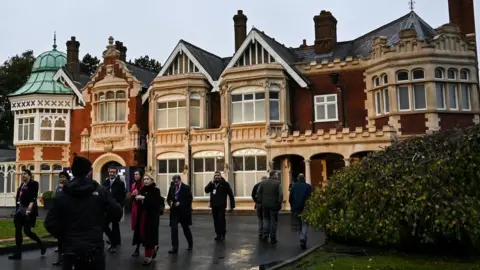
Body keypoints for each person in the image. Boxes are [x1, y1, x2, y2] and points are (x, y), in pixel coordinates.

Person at [44, 155, 123, 270]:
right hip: (93, 246)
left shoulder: (63, 194)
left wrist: (64, 236)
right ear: (89, 172)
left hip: (71, 248)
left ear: (72, 172)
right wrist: (101, 223)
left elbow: (49, 222)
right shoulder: (100, 191)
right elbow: (117, 211)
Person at [8, 169, 46, 260]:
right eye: (22, 174)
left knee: (27, 231)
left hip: (28, 212)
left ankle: (41, 244)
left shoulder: (34, 184)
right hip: (19, 212)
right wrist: (17, 209)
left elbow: (33, 198)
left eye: (24, 174)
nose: (22, 175)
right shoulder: (22, 185)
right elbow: (19, 199)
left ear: (29, 175)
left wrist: (29, 210)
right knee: (17, 231)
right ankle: (18, 253)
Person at [133, 173, 162, 266]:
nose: (145, 181)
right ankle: (154, 247)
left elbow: (155, 203)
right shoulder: (142, 190)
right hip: (142, 216)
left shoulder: (156, 190)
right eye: (144, 179)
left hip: (152, 217)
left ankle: (148, 256)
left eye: (148, 179)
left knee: (149, 236)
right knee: (143, 235)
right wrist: (135, 197)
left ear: (152, 180)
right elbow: (138, 204)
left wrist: (145, 198)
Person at [204, 171, 235, 241]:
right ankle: (218, 234)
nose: (217, 177)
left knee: (221, 220)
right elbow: (206, 190)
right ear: (214, 176)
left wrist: (232, 205)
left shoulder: (225, 184)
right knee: (216, 221)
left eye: (218, 175)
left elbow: (230, 194)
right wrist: (210, 183)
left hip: (221, 205)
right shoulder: (212, 184)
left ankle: (223, 234)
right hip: (214, 206)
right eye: (215, 175)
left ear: (220, 176)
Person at [102, 166, 126, 253]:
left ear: (116, 173)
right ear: (108, 172)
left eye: (113, 172)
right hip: (107, 208)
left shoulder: (120, 183)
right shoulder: (105, 182)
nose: (112, 173)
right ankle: (114, 240)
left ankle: (114, 245)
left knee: (115, 226)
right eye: (110, 172)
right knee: (104, 225)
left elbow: (123, 196)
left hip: (116, 208)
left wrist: (120, 206)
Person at [166, 174, 193, 254]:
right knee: (174, 229)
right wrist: (170, 202)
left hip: (183, 212)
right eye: (174, 182)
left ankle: (190, 244)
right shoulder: (172, 187)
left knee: (186, 229)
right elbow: (168, 198)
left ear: (180, 180)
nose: (175, 183)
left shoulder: (186, 188)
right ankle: (175, 248)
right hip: (174, 212)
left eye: (177, 181)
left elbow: (189, 200)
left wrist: (180, 203)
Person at [256, 170, 283, 244]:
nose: (277, 176)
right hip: (274, 205)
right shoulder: (278, 183)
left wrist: (260, 201)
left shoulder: (263, 182)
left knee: (266, 219)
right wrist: (279, 203)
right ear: (273, 175)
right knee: (273, 221)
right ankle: (273, 237)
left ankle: (265, 235)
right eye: (277, 175)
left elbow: (258, 192)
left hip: (265, 205)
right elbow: (280, 194)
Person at [52, 171, 71, 266]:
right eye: (60, 177)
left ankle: (68, 260)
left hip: (68, 217)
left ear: (67, 179)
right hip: (59, 217)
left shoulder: (70, 188)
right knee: (60, 240)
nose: (61, 179)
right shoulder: (57, 188)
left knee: (67, 241)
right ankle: (60, 259)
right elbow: (55, 199)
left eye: (63, 177)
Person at [289, 174, 312, 249]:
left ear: (298, 178)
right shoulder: (308, 186)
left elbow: (291, 198)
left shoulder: (294, 186)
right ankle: (303, 238)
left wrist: (292, 206)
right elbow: (311, 197)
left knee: (299, 223)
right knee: (304, 223)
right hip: (306, 207)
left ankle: (301, 237)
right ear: (304, 178)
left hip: (296, 208)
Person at [130, 169, 144, 257]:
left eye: (137, 174)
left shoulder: (144, 184)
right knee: (137, 229)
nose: (135, 176)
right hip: (136, 210)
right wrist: (132, 195)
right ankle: (137, 248)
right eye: (134, 174)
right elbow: (131, 200)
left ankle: (151, 247)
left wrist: (139, 194)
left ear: (141, 175)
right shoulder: (133, 185)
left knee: (144, 229)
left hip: (143, 210)